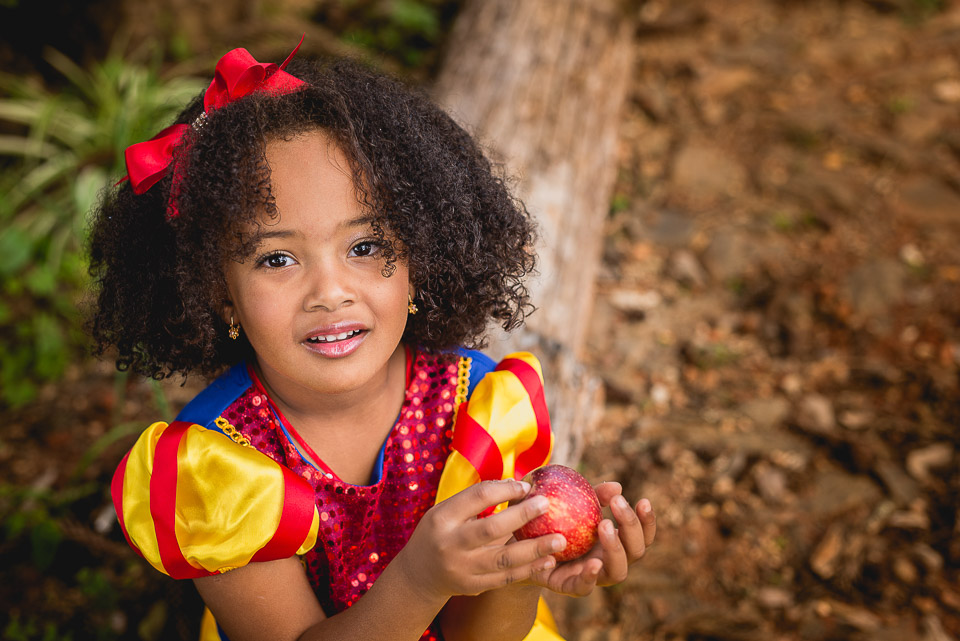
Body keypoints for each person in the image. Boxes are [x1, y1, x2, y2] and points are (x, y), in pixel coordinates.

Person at [92, 40, 657, 641]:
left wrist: (524, 567)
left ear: (418, 252)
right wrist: (419, 581)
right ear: (219, 293)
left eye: (364, 247)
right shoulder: (216, 470)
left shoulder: (479, 406)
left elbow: (483, 634)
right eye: (277, 258)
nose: (330, 291)